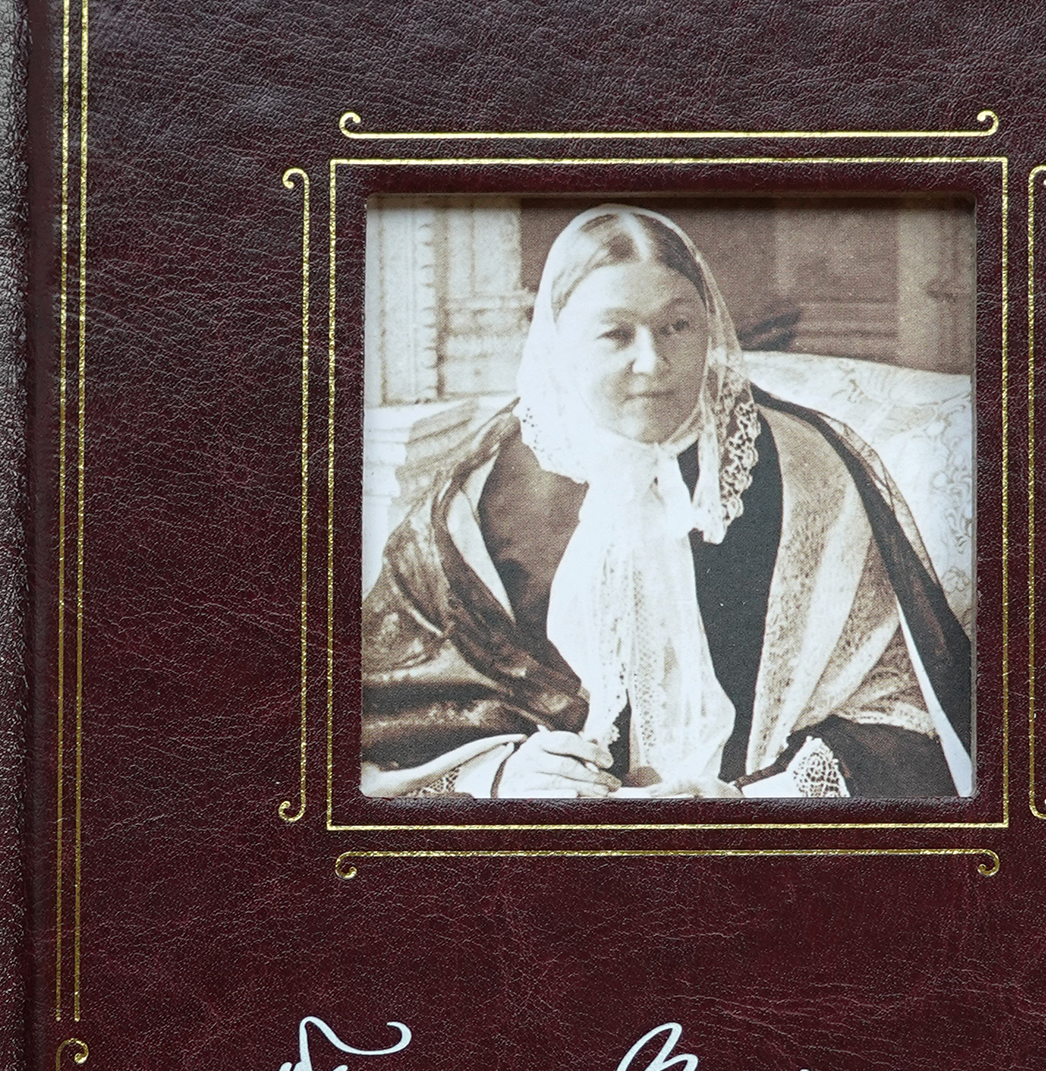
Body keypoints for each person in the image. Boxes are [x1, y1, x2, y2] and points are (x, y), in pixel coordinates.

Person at [361, 206, 972, 801]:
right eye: (615, 334)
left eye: (677, 326)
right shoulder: (482, 492)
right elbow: (385, 717)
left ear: (710, 326)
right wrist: (499, 774)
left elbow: (901, 697)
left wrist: (774, 795)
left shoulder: (808, 470)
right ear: (558, 339)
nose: (652, 363)